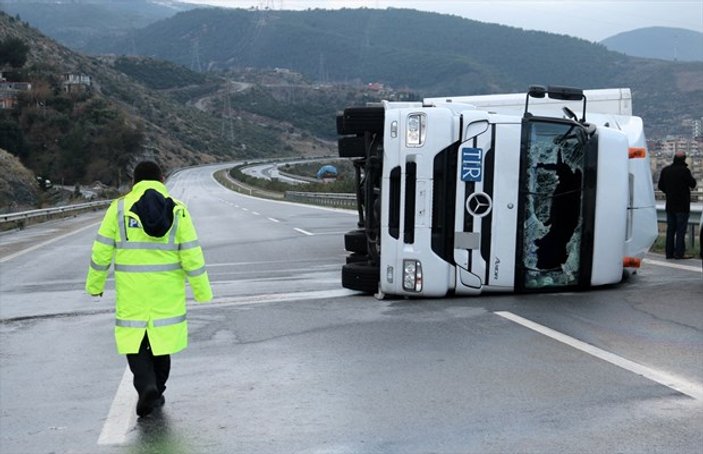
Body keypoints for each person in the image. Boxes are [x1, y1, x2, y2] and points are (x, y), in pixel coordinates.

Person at [85, 161, 212, 417]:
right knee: (162, 344)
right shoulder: (178, 210)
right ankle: (158, 390)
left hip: (132, 291)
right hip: (167, 291)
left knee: (135, 343)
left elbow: (101, 251)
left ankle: (146, 387)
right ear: (162, 179)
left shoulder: (119, 208)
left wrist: (95, 285)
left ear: (134, 182)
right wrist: (201, 290)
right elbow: (192, 254)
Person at [657, 150, 697, 259]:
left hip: (670, 205)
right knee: (680, 231)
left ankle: (669, 253)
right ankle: (679, 253)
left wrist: (669, 192)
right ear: (684, 159)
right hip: (682, 206)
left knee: (670, 230)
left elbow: (660, 186)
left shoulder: (666, 170)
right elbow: (693, 184)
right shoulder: (684, 171)